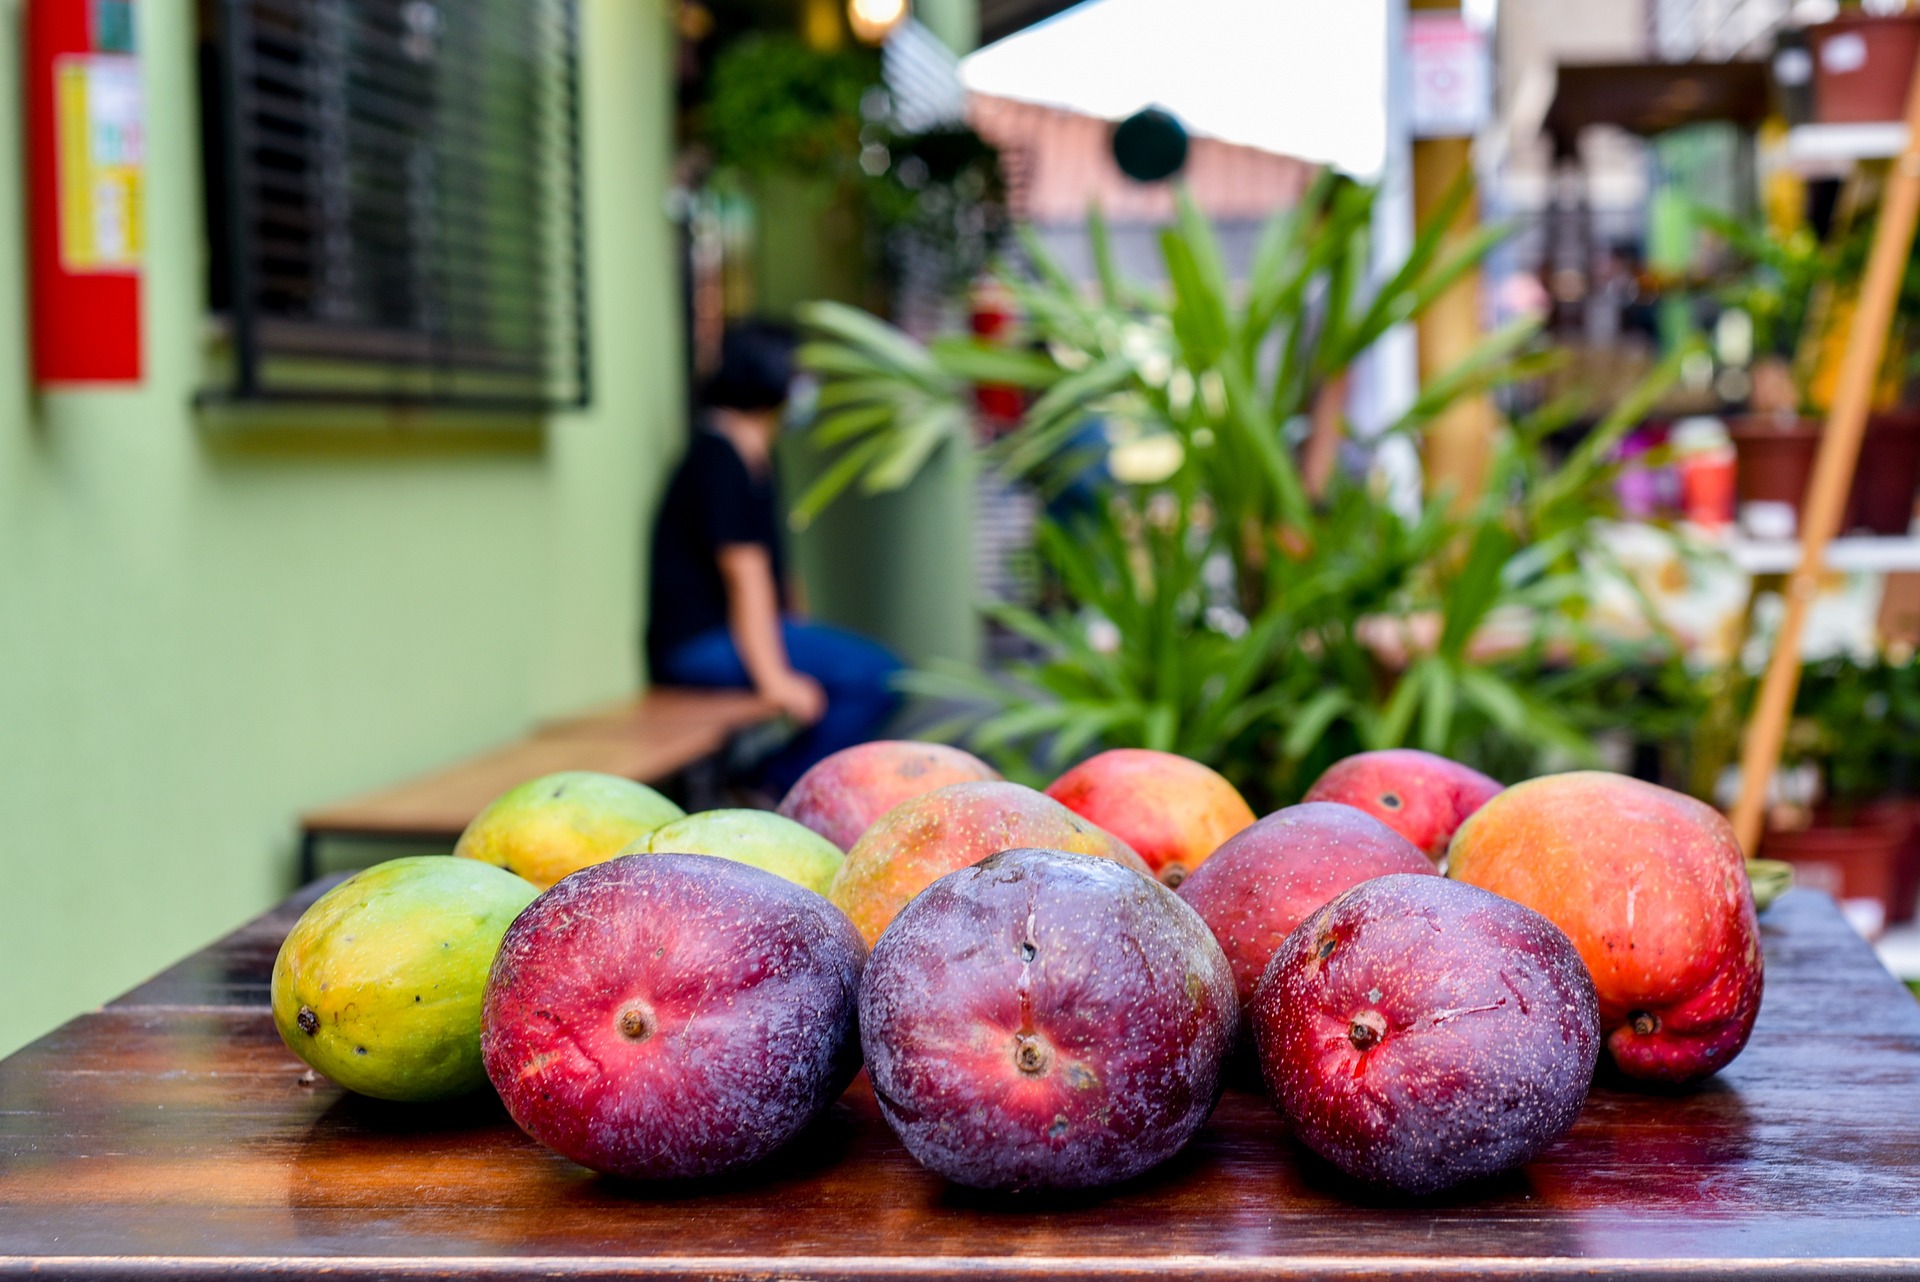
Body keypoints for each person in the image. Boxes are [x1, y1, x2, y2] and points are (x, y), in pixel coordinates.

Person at [647, 322, 904, 796]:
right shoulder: (718, 458)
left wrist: (796, 634)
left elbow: (773, 568)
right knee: (878, 675)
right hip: (696, 645)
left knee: (874, 672)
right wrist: (775, 679)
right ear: (769, 376)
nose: (808, 388)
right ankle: (771, 785)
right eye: (801, 374)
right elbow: (745, 576)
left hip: (735, 634)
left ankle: (774, 782)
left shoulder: (756, 455)